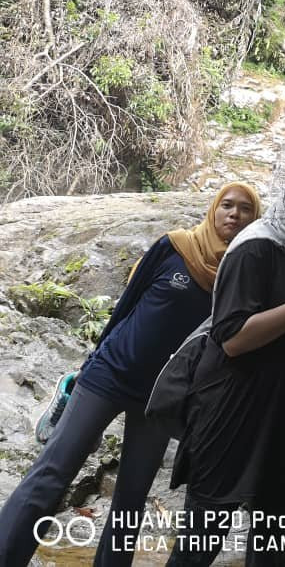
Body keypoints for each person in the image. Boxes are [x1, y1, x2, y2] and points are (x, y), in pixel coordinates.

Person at [0, 182, 261, 567]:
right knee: (53, 473)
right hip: (110, 374)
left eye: (244, 210)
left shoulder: (240, 274)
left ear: (254, 221)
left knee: (131, 498)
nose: (234, 215)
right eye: (227, 205)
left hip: (162, 398)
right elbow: (128, 303)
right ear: (213, 209)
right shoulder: (174, 246)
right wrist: (92, 360)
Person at [165, 157, 285, 567]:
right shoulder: (255, 248)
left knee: (272, 547)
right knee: (200, 543)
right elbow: (232, 339)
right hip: (233, 415)